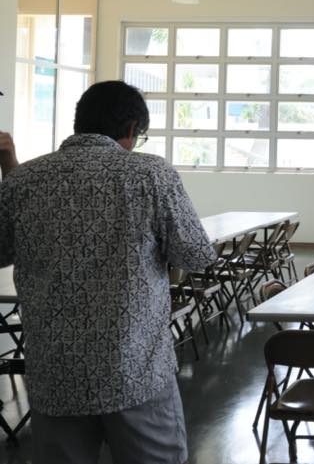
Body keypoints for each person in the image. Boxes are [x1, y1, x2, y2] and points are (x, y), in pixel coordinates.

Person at [0, 81, 217, 464]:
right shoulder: (151, 175)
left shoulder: (23, 180)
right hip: (134, 371)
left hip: (56, 374)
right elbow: (198, 255)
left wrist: (10, 175)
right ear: (132, 128)